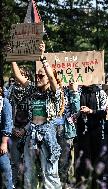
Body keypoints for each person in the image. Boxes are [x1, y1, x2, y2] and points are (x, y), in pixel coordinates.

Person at [11, 42, 63, 188]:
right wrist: (12, 57)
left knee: (50, 173)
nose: (38, 77)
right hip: (31, 134)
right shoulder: (32, 90)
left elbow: (52, 79)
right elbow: (17, 75)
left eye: (41, 75)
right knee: (29, 171)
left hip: (48, 135)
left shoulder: (54, 94)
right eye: (37, 75)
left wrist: (42, 57)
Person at [75, 83, 108, 187]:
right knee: (83, 158)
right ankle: (83, 183)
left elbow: (106, 111)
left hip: (97, 130)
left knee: (97, 157)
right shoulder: (78, 91)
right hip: (82, 131)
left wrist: (91, 111)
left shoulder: (100, 92)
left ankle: (96, 183)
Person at [8, 66, 31, 186]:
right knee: (14, 162)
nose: (17, 77)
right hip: (13, 131)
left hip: (28, 131)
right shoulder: (10, 91)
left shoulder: (32, 91)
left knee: (28, 162)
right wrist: (12, 128)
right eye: (17, 74)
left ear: (27, 77)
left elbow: (35, 114)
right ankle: (13, 185)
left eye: (21, 74)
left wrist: (24, 129)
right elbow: (5, 112)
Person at [55, 81, 80, 187]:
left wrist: (74, 91)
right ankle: (60, 182)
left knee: (68, 158)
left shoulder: (73, 90)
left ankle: (66, 181)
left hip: (69, 128)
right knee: (61, 158)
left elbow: (76, 110)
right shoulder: (53, 90)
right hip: (56, 127)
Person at [0, 86, 13, 188]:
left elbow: (8, 124)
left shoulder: (4, 102)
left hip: (1, 140)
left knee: (5, 168)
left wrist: (4, 143)